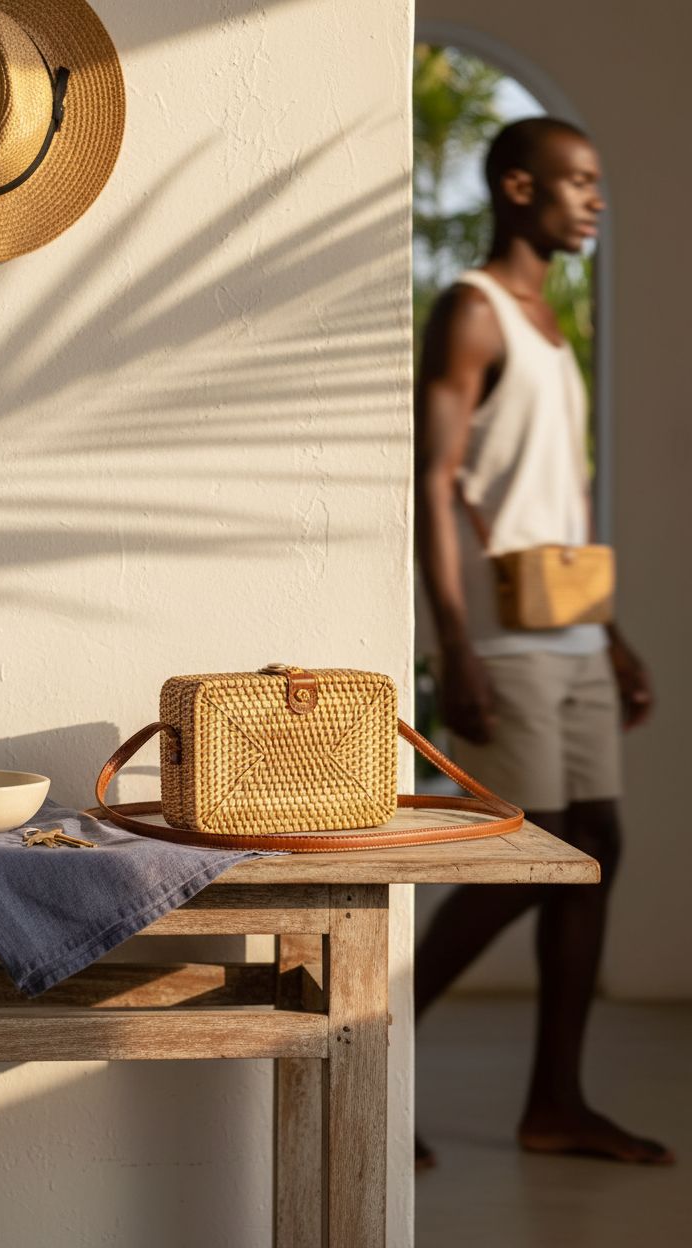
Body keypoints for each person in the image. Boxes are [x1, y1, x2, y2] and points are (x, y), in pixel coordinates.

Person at [414, 117, 674, 1166]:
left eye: (597, 184)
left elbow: (557, 504)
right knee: (526, 865)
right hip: (501, 645)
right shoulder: (471, 313)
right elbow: (433, 481)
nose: (593, 201)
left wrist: (611, 637)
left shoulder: (551, 328)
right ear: (518, 188)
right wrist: (453, 649)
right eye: (576, 183)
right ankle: (367, 1041)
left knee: (596, 850)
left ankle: (554, 1103)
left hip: (571, 637)